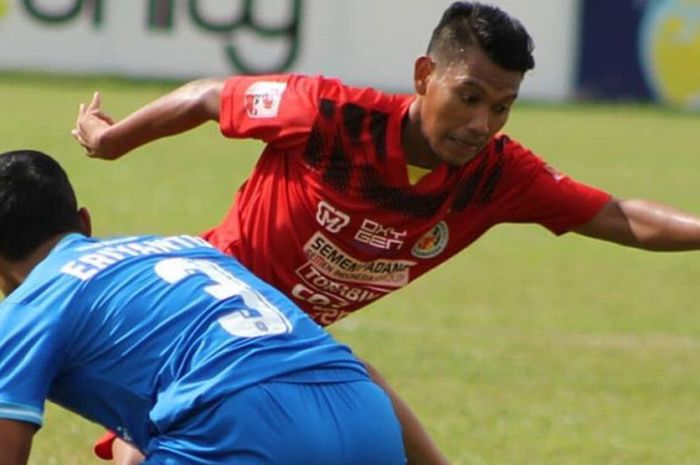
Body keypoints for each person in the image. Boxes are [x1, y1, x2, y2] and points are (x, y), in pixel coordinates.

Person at [71, 1, 700, 463]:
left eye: (502, 106)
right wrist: (113, 140)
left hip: (292, 347)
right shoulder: (331, 116)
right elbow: (213, 96)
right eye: (469, 96)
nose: (483, 123)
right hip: (201, 322)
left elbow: (619, 216)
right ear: (425, 74)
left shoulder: (497, 174)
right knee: (144, 451)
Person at [0, 149, 406, 465]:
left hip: (241, 429)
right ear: (84, 223)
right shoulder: (189, 248)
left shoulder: (31, 304)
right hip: (369, 420)